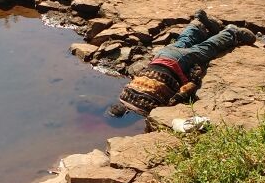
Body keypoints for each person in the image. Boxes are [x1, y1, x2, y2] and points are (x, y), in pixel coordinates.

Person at [107, 10, 255, 118]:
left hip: (176, 64)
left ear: (127, 114)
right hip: (160, 56)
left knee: (205, 50)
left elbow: (183, 92)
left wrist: (193, 81)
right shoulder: (124, 93)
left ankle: (232, 33)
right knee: (182, 42)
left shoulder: (149, 108)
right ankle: (198, 23)